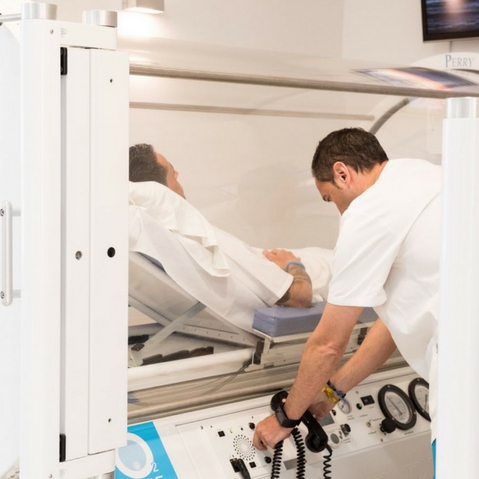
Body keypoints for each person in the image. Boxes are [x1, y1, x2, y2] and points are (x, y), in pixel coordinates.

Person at [252, 127, 440, 477]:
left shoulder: (369, 211)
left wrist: (286, 418)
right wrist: (330, 391)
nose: (339, 211)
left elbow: (327, 345)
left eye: (330, 198)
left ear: (342, 173)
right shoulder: (429, 177)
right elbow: (396, 321)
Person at [129, 143, 323, 309]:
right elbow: (300, 295)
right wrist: (293, 264)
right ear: (162, 189)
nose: (178, 173)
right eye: (173, 171)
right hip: (314, 268)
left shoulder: (164, 243)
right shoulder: (204, 243)